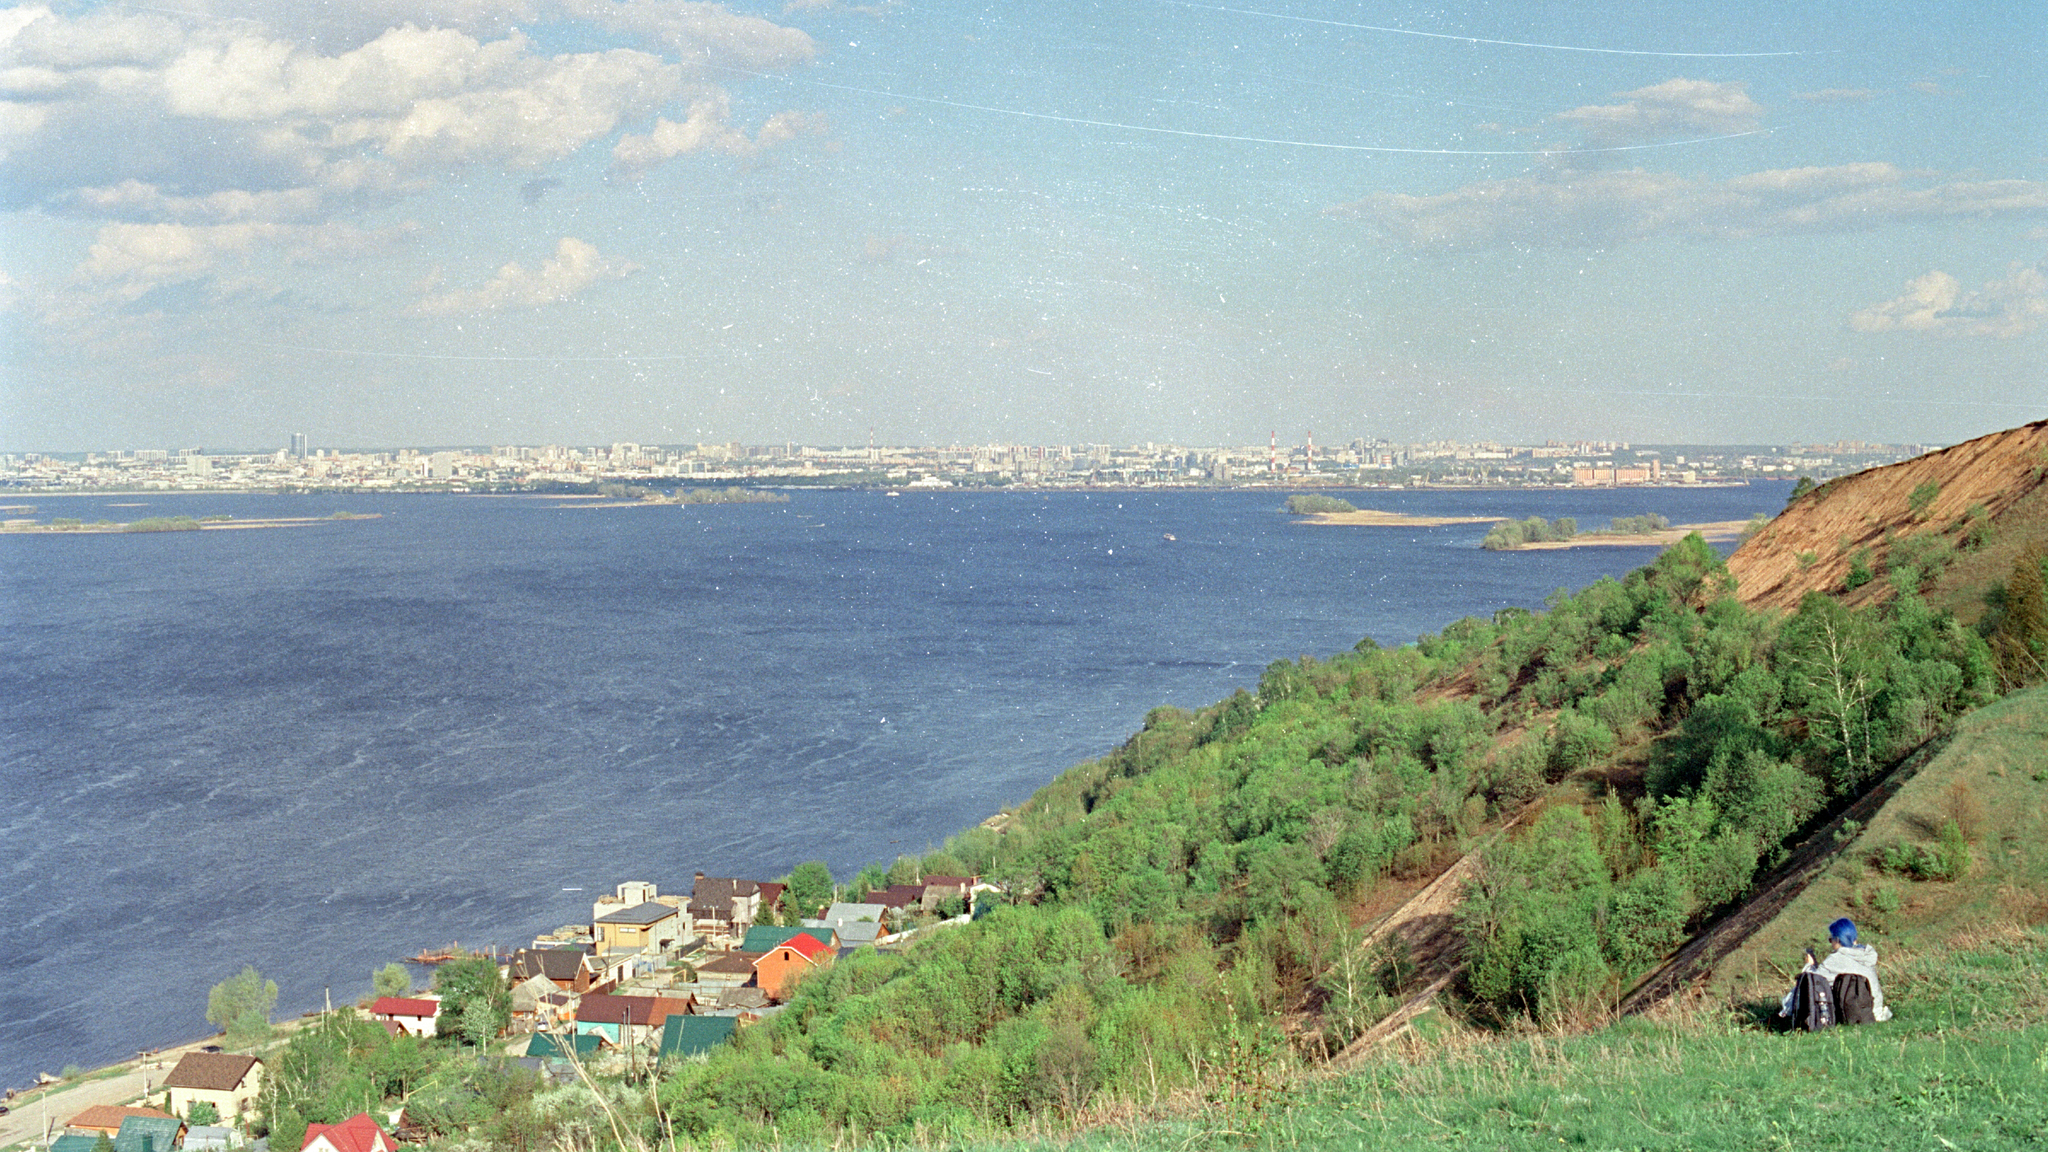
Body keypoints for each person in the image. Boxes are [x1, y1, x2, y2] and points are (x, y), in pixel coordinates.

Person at [1779, 917, 1892, 1023]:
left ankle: (1785, 1013)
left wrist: (1810, 965)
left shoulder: (1837, 958)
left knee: (1800, 990)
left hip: (1854, 1014)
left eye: (1831, 939)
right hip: (1874, 1012)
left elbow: (1809, 983)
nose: (1831, 944)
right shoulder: (1866, 955)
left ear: (1837, 940)